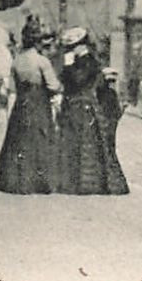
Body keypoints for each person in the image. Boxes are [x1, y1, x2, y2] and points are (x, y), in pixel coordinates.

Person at [54, 28, 129, 195]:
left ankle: (86, 185)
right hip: (73, 106)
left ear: (81, 46)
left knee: (85, 144)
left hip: (84, 107)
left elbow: (78, 80)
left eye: (73, 46)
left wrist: (68, 65)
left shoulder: (89, 61)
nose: (71, 50)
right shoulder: (80, 60)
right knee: (72, 143)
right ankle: (71, 183)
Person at [0, 17, 60, 195]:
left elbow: (12, 88)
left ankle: (16, 180)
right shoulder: (42, 61)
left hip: (21, 104)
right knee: (40, 139)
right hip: (39, 103)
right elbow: (53, 86)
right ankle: (39, 182)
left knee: (19, 140)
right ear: (38, 42)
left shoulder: (17, 61)